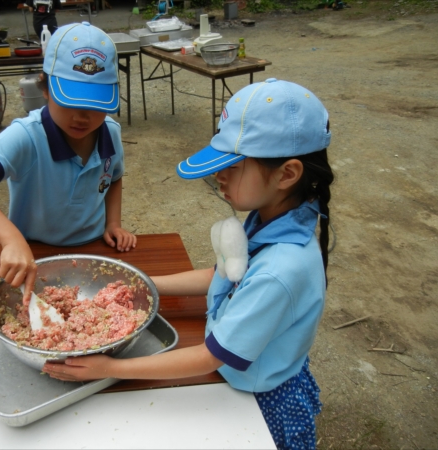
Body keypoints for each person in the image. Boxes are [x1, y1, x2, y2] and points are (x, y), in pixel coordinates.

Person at [43, 78, 335, 449]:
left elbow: (210, 357)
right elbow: (227, 275)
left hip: (257, 398)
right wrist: (145, 283)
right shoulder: (273, 216)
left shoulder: (281, 271)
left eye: (233, 165)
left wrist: (111, 369)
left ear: (288, 174)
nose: (219, 175)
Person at [0, 22, 137, 303]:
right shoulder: (27, 135)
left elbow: (115, 176)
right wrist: (11, 240)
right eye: (70, 102)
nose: (82, 117)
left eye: (95, 106)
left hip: (93, 249)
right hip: (32, 252)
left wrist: (113, 222)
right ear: (46, 87)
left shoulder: (110, 132)